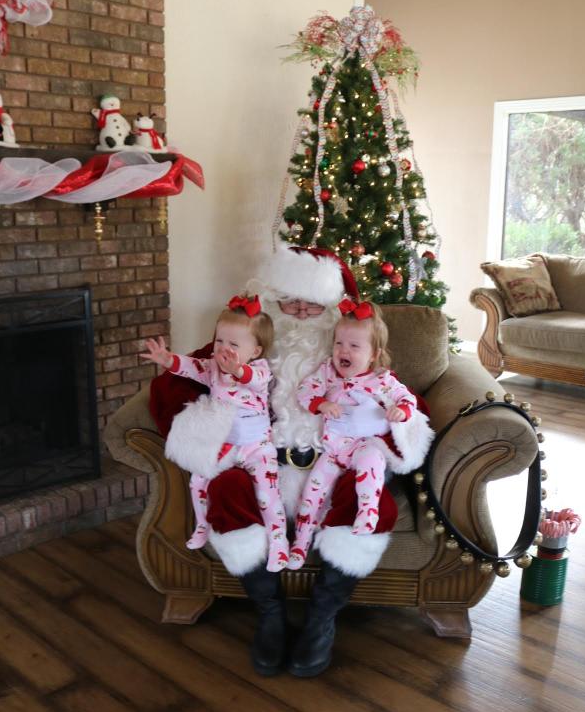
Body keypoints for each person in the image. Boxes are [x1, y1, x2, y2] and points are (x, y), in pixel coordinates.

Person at [149, 245, 432, 678]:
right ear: (270, 301)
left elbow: (403, 401)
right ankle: (270, 614)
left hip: (336, 462)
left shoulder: (354, 354)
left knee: (373, 503)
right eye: (289, 301)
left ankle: (321, 618)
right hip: (260, 462)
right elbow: (181, 382)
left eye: (312, 303)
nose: (300, 311)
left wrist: (392, 421)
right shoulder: (247, 343)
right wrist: (198, 415)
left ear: (333, 307)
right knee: (225, 491)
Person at [141, 295, 289, 573]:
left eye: (234, 345)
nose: (224, 349)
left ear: (255, 351)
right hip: (227, 444)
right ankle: (203, 525)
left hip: (257, 447)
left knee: (267, 494)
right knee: (198, 480)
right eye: (219, 341)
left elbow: (255, 381)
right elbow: (189, 367)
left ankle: (279, 542)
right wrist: (168, 359)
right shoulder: (212, 367)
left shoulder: (260, 370)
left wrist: (237, 369)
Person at [288, 299, 420, 571]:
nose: (343, 351)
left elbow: (407, 398)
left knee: (373, 460)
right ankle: (300, 542)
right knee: (312, 492)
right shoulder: (328, 372)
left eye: (354, 346)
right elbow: (305, 390)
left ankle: (367, 513)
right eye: (339, 343)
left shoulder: (382, 379)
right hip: (333, 450)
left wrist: (401, 410)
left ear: (374, 354)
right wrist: (321, 404)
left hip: (364, 445)